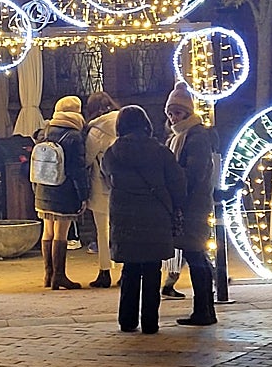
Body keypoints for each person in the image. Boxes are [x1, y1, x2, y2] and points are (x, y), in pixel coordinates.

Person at [102, 105, 186, 334]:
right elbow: (177, 182)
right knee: (152, 269)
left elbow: (106, 176)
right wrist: (175, 204)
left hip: (125, 216)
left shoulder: (113, 152)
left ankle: (127, 321)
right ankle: (150, 321)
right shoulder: (160, 151)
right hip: (155, 216)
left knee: (129, 270)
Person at [163, 81, 220, 326]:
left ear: (188, 112)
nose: (174, 118)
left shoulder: (195, 137)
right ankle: (204, 309)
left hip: (193, 206)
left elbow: (194, 173)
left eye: (177, 112)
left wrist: (177, 188)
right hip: (190, 205)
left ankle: (204, 310)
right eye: (170, 113)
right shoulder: (181, 136)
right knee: (196, 256)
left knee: (196, 256)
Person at [33, 96, 88, 290]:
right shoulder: (74, 136)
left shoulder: (45, 131)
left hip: (43, 188)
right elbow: (77, 170)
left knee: (47, 231)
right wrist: (83, 195)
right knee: (61, 234)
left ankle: (48, 275)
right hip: (64, 190)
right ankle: (60, 276)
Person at [84, 91, 120, 288]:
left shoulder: (95, 131)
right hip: (123, 186)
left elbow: (87, 159)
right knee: (122, 229)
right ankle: (125, 271)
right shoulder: (124, 122)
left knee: (103, 232)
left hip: (101, 186)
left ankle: (104, 272)